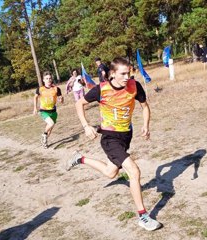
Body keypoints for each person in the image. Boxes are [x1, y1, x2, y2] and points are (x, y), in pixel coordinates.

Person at [66, 57, 161, 231]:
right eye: (123, 74)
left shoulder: (135, 86)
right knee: (134, 171)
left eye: (129, 73)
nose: (127, 77)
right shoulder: (101, 90)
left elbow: (145, 106)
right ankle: (143, 216)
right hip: (110, 138)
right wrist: (86, 126)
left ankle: (80, 159)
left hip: (126, 136)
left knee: (111, 172)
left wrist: (146, 125)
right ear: (112, 74)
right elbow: (80, 103)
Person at [33, 71, 64, 148]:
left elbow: (61, 100)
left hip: (53, 112)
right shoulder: (40, 89)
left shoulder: (56, 89)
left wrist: (61, 100)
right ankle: (43, 134)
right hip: (44, 111)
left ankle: (44, 141)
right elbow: (35, 97)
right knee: (51, 123)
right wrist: (35, 108)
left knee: (50, 130)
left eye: (50, 78)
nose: (49, 80)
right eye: (47, 78)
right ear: (43, 80)